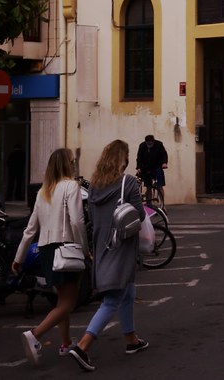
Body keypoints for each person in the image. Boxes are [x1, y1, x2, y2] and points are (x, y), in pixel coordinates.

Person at [69, 140, 149, 372]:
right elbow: (140, 216)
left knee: (128, 289)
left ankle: (131, 339)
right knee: (113, 298)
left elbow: (91, 219)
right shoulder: (129, 182)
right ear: (122, 159)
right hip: (122, 246)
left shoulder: (94, 186)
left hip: (103, 244)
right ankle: (83, 345)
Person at [13, 148, 87, 365]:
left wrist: (19, 257)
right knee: (68, 303)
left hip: (46, 250)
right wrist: (83, 248)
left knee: (61, 299)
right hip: (65, 247)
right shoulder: (71, 186)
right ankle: (35, 334)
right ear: (66, 164)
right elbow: (76, 222)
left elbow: (30, 229)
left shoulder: (43, 191)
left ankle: (65, 343)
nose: (74, 165)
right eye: (72, 162)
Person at [135, 134, 168, 204]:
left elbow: (164, 154)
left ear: (153, 141)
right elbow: (139, 158)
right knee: (148, 186)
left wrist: (164, 163)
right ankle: (149, 203)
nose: (149, 145)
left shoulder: (159, 144)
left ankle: (162, 204)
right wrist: (138, 167)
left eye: (150, 143)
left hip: (157, 167)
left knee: (159, 186)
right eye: (147, 143)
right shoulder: (142, 146)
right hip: (146, 168)